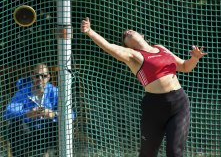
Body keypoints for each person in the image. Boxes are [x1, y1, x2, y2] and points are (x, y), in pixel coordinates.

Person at [81, 17, 207, 157]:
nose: (127, 32)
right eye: (124, 36)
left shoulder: (160, 48)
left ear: (141, 35)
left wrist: (194, 58)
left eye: (131, 30)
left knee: (175, 152)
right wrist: (90, 32)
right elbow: (109, 46)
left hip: (179, 102)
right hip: (154, 106)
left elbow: (184, 67)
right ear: (127, 45)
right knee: (147, 153)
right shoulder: (133, 55)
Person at [4, 64, 60, 157]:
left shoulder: (55, 91)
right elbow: (8, 112)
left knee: (62, 124)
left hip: (47, 132)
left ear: (48, 77)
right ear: (32, 76)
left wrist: (53, 114)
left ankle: (52, 153)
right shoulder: (23, 91)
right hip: (29, 132)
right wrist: (27, 113)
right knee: (15, 125)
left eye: (44, 76)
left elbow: (71, 113)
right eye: (37, 76)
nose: (40, 79)